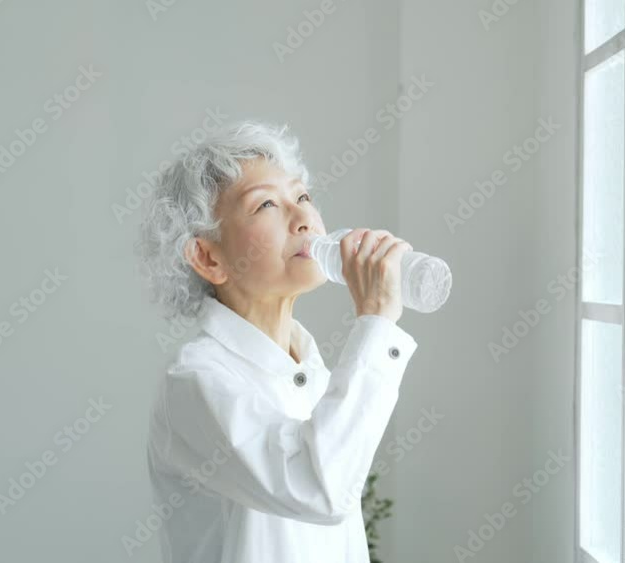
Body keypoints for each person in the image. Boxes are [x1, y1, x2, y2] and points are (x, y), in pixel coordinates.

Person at [135, 119, 418, 562]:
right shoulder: (196, 382)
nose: (304, 219)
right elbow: (318, 488)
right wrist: (377, 319)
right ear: (207, 257)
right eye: (266, 204)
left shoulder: (312, 371)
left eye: (302, 196)